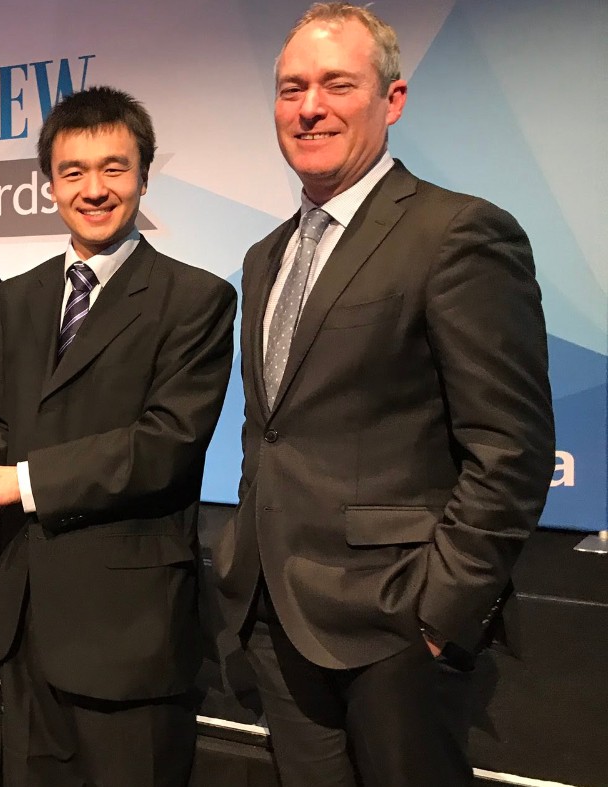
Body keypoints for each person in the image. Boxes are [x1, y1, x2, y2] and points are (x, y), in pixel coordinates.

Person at [211, 4, 556, 785]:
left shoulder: (457, 232)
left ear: (391, 100)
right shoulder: (266, 255)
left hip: (395, 628)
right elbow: (275, 433)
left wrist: (437, 617)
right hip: (276, 620)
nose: (309, 107)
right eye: (291, 87)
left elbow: (512, 448)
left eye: (337, 84)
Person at [0, 86, 236, 787]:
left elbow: (166, 443)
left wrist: (19, 481)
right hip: (26, 622)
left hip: (129, 633)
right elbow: (2, 422)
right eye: (73, 171)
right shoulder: (16, 297)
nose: (94, 189)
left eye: (114, 168)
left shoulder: (197, 298)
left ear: (145, 176)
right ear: (49, 184)